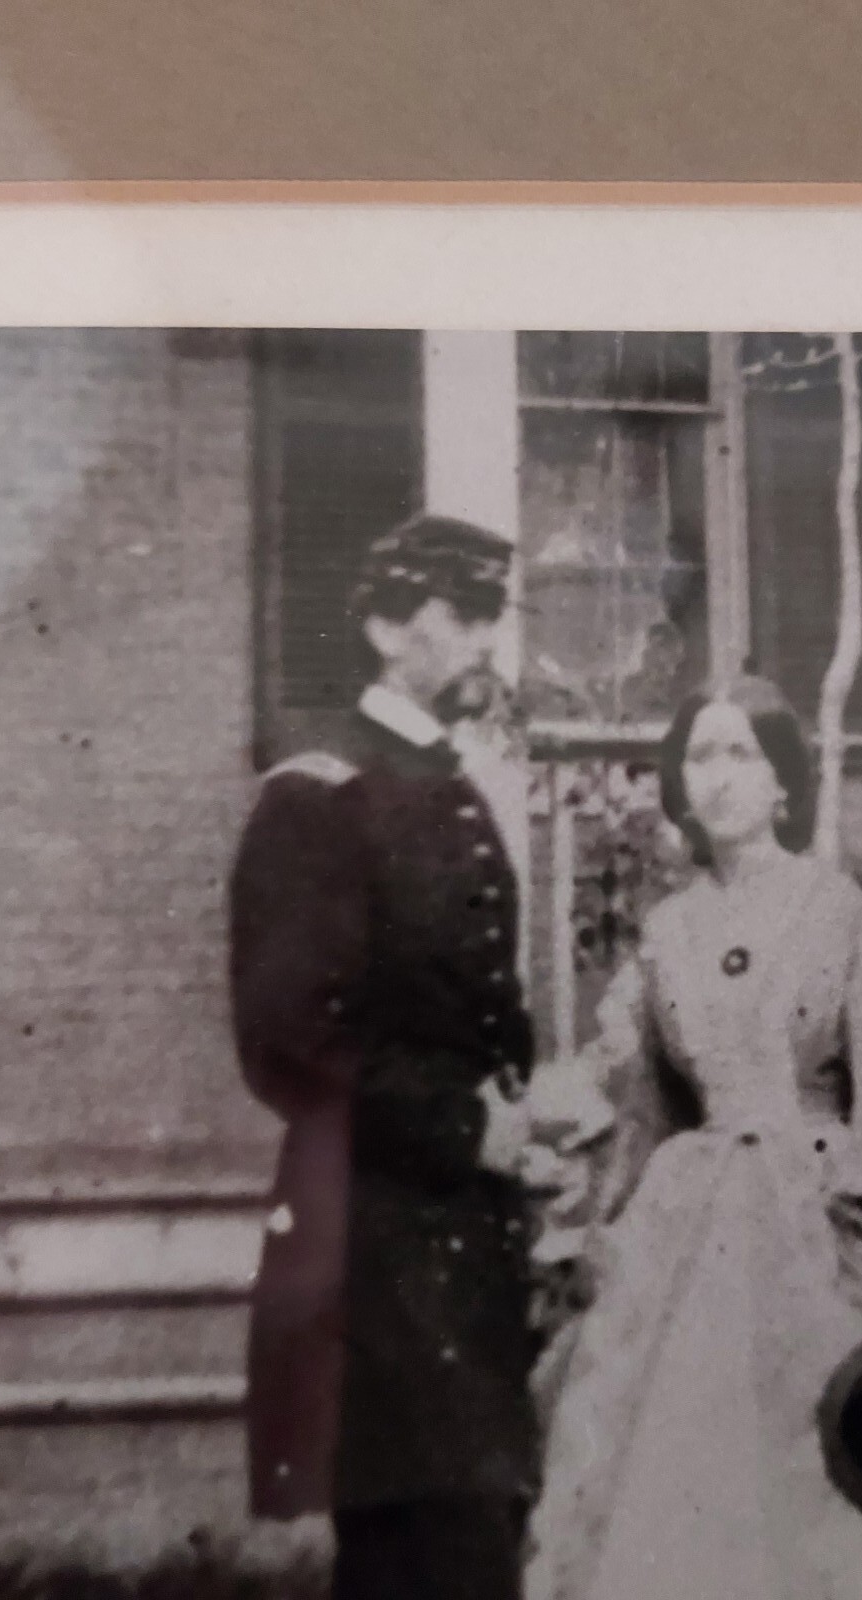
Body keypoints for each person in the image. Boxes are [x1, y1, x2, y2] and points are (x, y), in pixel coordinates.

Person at [519, 674, 862, 1600]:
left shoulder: (838, 911)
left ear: (784, 783)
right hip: (688, 1231)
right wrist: (568, 1189)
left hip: (823, 1217)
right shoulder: (668, 929)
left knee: (845, 1453)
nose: (719, 776)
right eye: (699, 754)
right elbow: (633, 1093)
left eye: (741, 752)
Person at [228, 514, 539, 1600]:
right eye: (463, 613)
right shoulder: (320, 794)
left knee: (462, 1539)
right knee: (433, 1552)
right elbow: (286, 1039)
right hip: (374, 1245)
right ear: (383, 624)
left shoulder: (446, 785)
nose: (487, 639)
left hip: (466, 1241)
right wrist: (465, 1126)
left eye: (492, 612)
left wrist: (522, 1112)